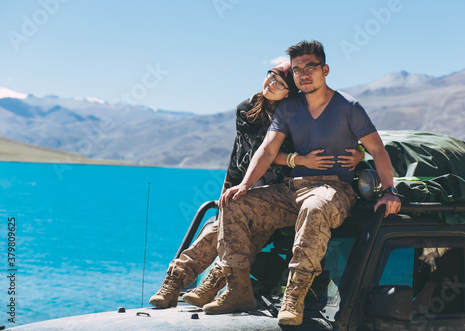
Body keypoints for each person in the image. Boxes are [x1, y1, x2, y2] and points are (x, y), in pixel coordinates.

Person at [203, 40, 401, 326]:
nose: (304, 74)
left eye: (311, 67)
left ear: (326, 69)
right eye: (297, 70)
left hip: (335, 189)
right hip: (293, 190)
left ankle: (294, 296)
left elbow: (378, 149)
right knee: (235, 204)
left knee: (314, 207)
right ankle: (237, 290)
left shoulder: (349, 107)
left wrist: (389, 190)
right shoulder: (289, 108)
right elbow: (268, 150)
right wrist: (245, 185)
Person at [148, 60, 364, 309]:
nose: (271, 84)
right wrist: (227, 190)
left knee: (243, 233)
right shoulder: (247, 108)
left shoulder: (296, 116)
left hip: (279, 189)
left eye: (280, 84)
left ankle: (215, 281)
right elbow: (240, 154)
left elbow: (280, 152)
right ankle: (175, 281)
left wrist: (357, 155)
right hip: (246, 184)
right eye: (271, 77)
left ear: (290, 92)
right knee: (217, 228)